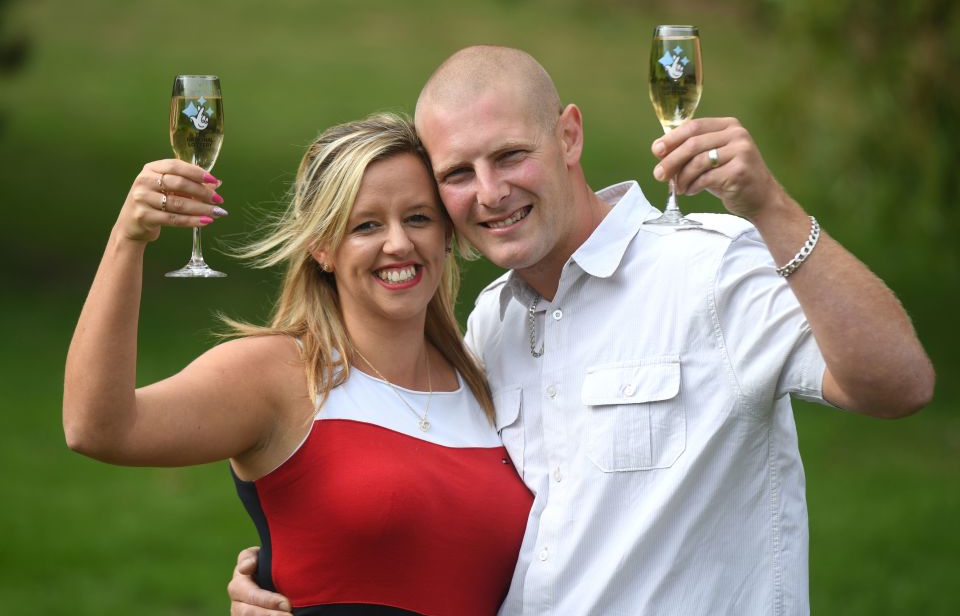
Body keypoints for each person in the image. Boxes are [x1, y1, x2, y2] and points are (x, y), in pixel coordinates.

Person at [228, 47, 935, 615]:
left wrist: (772, 209)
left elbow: (897, 384)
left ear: (568, 133)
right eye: (458, 174)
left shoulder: (708, 269)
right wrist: (290, 577)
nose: (491, 193)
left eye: (509, 157)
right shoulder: (490, 322)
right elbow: (445, 524)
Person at [63, 112, 534, 615]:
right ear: (322, 247)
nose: (398, 243)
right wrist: (128, 239)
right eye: (366, 225)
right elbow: (97, 427)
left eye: (417, 217)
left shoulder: (491, 378)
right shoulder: (280, 374)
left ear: (446, 234)